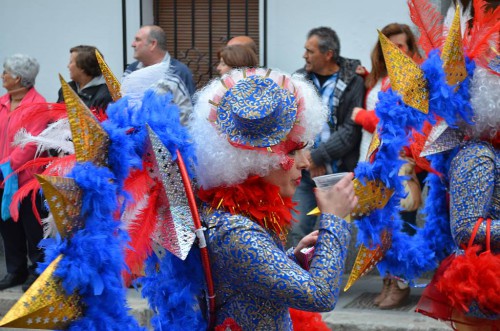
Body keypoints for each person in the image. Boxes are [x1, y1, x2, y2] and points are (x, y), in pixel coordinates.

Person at [190, 67, 358, 329]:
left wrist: (292, 258)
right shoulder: (235, 230)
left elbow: (249, 280)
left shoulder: (234, 219)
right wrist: (335, 219)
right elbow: (320, 295)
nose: (304, 162)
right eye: (293, 151)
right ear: (257, 161)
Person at [350, 23, 426, 309]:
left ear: (411, 49)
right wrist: (368, 76)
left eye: (401, 46)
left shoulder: (412, 79)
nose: (395, 51)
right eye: (389, 47)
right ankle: (388, 281)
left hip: (398, 165)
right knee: (380, 228)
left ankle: (402, 284)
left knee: (400, 227)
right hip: (373, 165)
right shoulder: (382, 77)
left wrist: (360, 115)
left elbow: (390, 124)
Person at [288, 26, 364, 247]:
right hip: (304, 172)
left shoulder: (354, 82)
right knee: (298, 229)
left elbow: (351, 129)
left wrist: (318, 157)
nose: (305, 56)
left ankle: (327, 280)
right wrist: (309, 160)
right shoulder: (298, 80)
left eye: (310, 51)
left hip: (339, 174)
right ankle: (298, 279)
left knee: (333, 235)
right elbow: (292, 125)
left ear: (328, 54)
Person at [0, 54, 48, 291]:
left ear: (18, 78)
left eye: (5, 72)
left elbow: (31, 143)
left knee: (32, 227)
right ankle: (15, 271)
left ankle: (36, 271)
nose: (2, 76)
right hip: (2, 177)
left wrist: (8, 165)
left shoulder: (38, 105)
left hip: (27, 178)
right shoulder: (2, 102)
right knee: (8, 225)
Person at [122, 25, 195, 124]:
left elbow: (189, 117)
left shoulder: (178, 72)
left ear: (153, 44)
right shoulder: (131, 70)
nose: (133, 44)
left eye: (138, 40)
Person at [57, 45, 112, 111]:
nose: (68, 66)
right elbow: (54, 118)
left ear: (82, 66)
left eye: (71, 62)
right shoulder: (66, 89)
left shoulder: (105, 96)